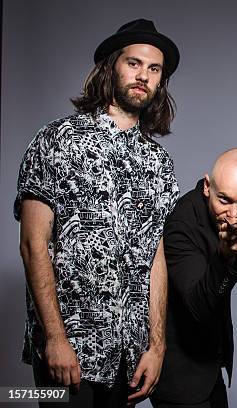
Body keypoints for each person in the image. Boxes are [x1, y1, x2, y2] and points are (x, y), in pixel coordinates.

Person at [14, 19, 180, 407]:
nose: (144, 76)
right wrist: (55, 338)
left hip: (128, 355)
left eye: (154, 69)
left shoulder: (158, 162)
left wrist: (156, 347)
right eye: (134, 63)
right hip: (67, 353)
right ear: (111, 67)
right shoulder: (56, 139)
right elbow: (32, 244)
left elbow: (155, 259)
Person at [152, 149, 237, 408]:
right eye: (224, 200)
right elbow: (197, 306)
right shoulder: (181, 223)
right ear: (208, 186)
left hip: (213, 364)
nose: (233, 215)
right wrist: (225, 258)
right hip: (179, 372)